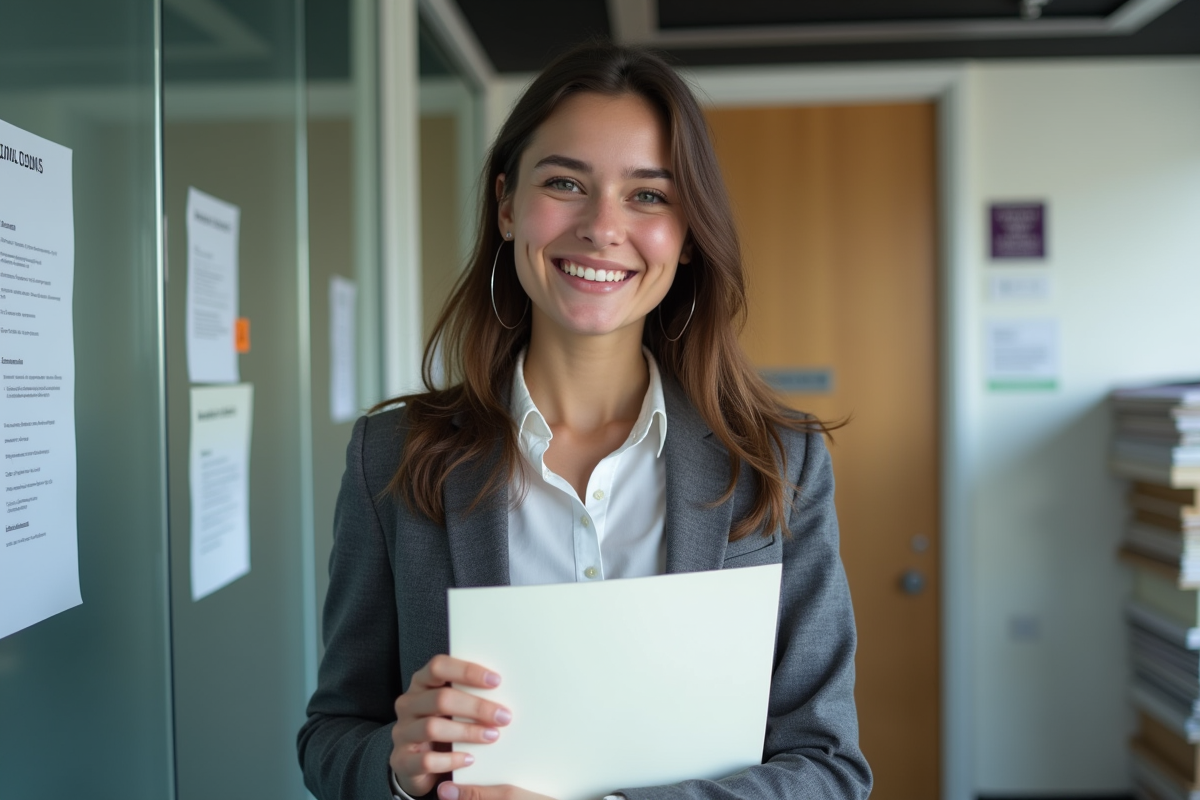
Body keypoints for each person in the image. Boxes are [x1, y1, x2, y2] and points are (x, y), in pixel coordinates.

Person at [297, 41, 871, 800]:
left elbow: (828, 767)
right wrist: (397, 768)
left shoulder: (778, 461)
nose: (602, 227)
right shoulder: (393, 456)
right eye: (565, 183)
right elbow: (333, 735)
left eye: (648, 195)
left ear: (688, 234)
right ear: (507, 205)